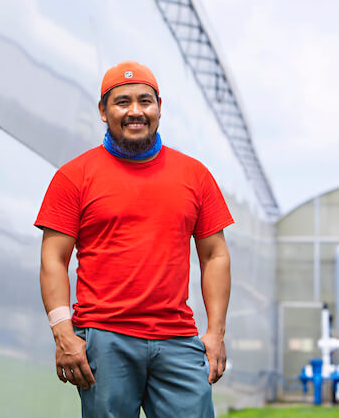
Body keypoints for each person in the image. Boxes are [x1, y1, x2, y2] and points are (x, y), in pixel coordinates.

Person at [35, 60, 233, 418]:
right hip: (104, 339)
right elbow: (53, 258)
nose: (135, 111)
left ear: (159, 107)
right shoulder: (74, 176)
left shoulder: (195, 175)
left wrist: (215, 333)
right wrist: (63, 333)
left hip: (177, 337)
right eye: (122, 102)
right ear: (102, 110)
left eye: (145, 101)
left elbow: (215, 255)